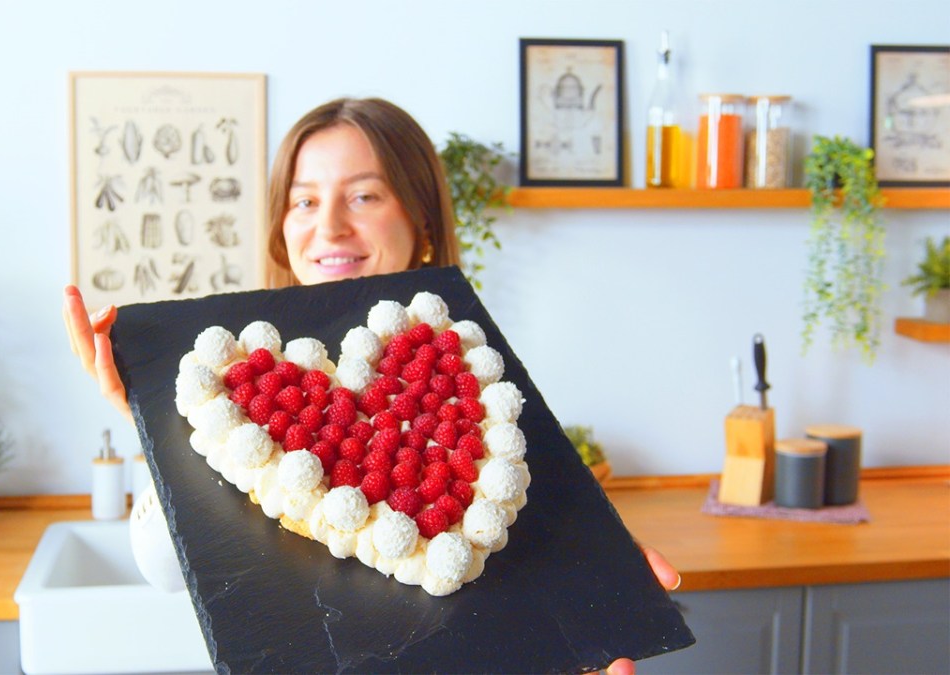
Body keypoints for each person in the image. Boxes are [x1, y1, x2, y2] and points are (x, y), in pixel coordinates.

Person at [64, 97, 679, 675]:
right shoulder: (237, 389)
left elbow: (530, 575)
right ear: (281, 226)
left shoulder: (483, 389)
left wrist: (596, 584)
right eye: (303, 201)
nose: (328, 226)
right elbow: (168, 569)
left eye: (363, 196)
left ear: (422, 220)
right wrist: (149, 422)